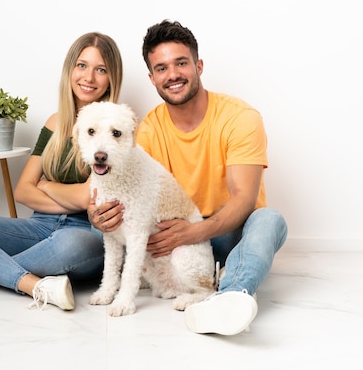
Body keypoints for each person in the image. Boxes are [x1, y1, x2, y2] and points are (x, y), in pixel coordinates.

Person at [88, 20, 288, 335]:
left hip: (228, 232)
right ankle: (216, 281)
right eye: (162, 68)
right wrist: (97, 214)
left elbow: (244, 198)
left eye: (181, 63)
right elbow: (124, 186)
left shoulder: (240, 118)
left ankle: (229, 296)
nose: (173, 75)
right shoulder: (149, 129)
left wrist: (194, 232)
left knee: (271, 220)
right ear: (152, 78)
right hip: (175, 242)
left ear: (198, 65)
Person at [0, 32, 123, 311]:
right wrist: (54, 192)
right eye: (81, 66)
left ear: (111, 78)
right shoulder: (55, 123)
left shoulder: (116, 127)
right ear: (70, 70)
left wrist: (45, 186)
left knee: (72, 243)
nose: (89, 77)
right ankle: (34, 285)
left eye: (100, 69)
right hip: (39, 226)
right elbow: (23, 191)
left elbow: (85, 198)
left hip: (85, 235)